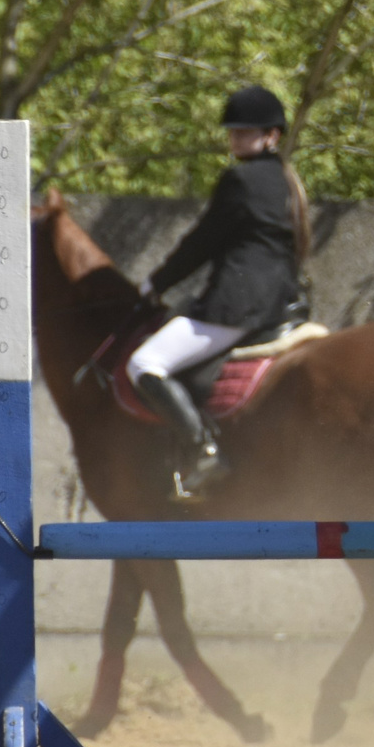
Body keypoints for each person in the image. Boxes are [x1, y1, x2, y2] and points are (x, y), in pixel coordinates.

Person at [128, 84, 311, 499]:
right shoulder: (286, 180)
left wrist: (156, 283)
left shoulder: (240, 179)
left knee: (145, 363)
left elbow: (202, 242)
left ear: (272, 136)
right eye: (233, 132)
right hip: (278, 298)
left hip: (239, 303)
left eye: (246, 132)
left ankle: (204, 450)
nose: (236, 139)